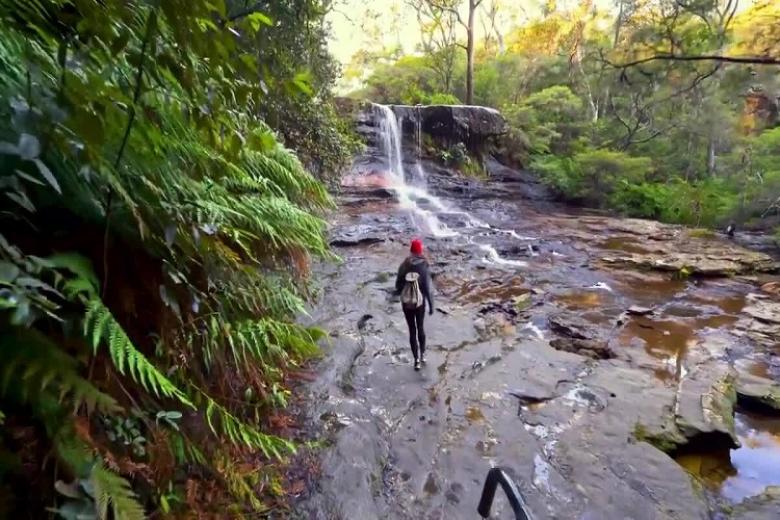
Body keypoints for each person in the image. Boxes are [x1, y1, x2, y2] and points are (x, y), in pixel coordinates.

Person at [395, 238, 434, 371]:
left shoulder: (404, 265)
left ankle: (416, 360)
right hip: (420, 302)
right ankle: (423, 355)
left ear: (411, 250)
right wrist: (431, 305)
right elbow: (428, 288)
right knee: (420, 328)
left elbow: (397, 286)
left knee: (412, 330)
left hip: (407, 303)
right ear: (420, 250)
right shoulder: (424, 266)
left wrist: (402, 292)